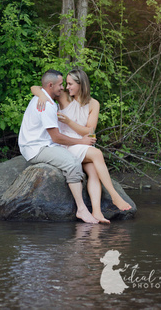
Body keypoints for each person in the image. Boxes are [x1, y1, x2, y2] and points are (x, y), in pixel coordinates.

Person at [31, 68, 132, 223]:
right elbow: (36, 87)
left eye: (70, 83)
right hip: (66, 144)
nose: (66, 86)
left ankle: (97, 212)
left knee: (93, 171)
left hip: (84, 146)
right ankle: (114, 195)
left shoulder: (93, 104)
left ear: (81, 84)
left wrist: (69, 122)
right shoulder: (64, 97)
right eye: (66, 83)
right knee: (97, 154)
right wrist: (41, 96)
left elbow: (90, 131)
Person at [18, 69, 99, 224]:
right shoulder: (46, 104)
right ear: (50, 85)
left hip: (41, 144)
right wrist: (81, 142)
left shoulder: (43, 98)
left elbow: (36, 88)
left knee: (74, 155)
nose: (62, 88)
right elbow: (56, 137)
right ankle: (81, 209)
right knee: (72, 163)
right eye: (61, 85)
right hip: (36, 148)